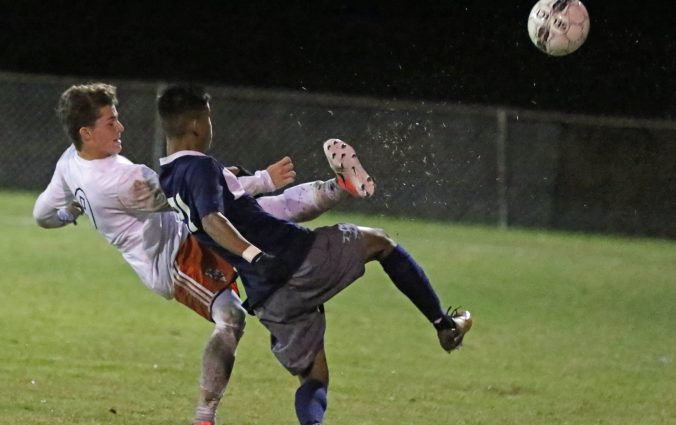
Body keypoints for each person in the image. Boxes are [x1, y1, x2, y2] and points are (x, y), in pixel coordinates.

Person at [33, 83, 363, 425]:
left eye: (117, 118)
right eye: (110, 122)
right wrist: (262, 178)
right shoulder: (124, 180)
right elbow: (192, 196)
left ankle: (340, 186)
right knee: (232, 318)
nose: (120, 127)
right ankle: (204, 417)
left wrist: (68, 211)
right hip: (173, 258)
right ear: (86, 132)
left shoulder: (69, 163)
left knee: (263, 215)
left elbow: (41, 214)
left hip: (188, 232)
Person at [155, 83, 472, 425]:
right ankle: (444, 325)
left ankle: (335, 187)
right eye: (209, 118)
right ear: (197, 126)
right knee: (380, 243)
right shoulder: (201, 167)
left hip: (267, 295)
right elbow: (212, 220)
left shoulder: (169, 177)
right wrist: (253, 254)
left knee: (315, 377)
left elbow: (218, 215)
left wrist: (243, 186)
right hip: (294, 256)